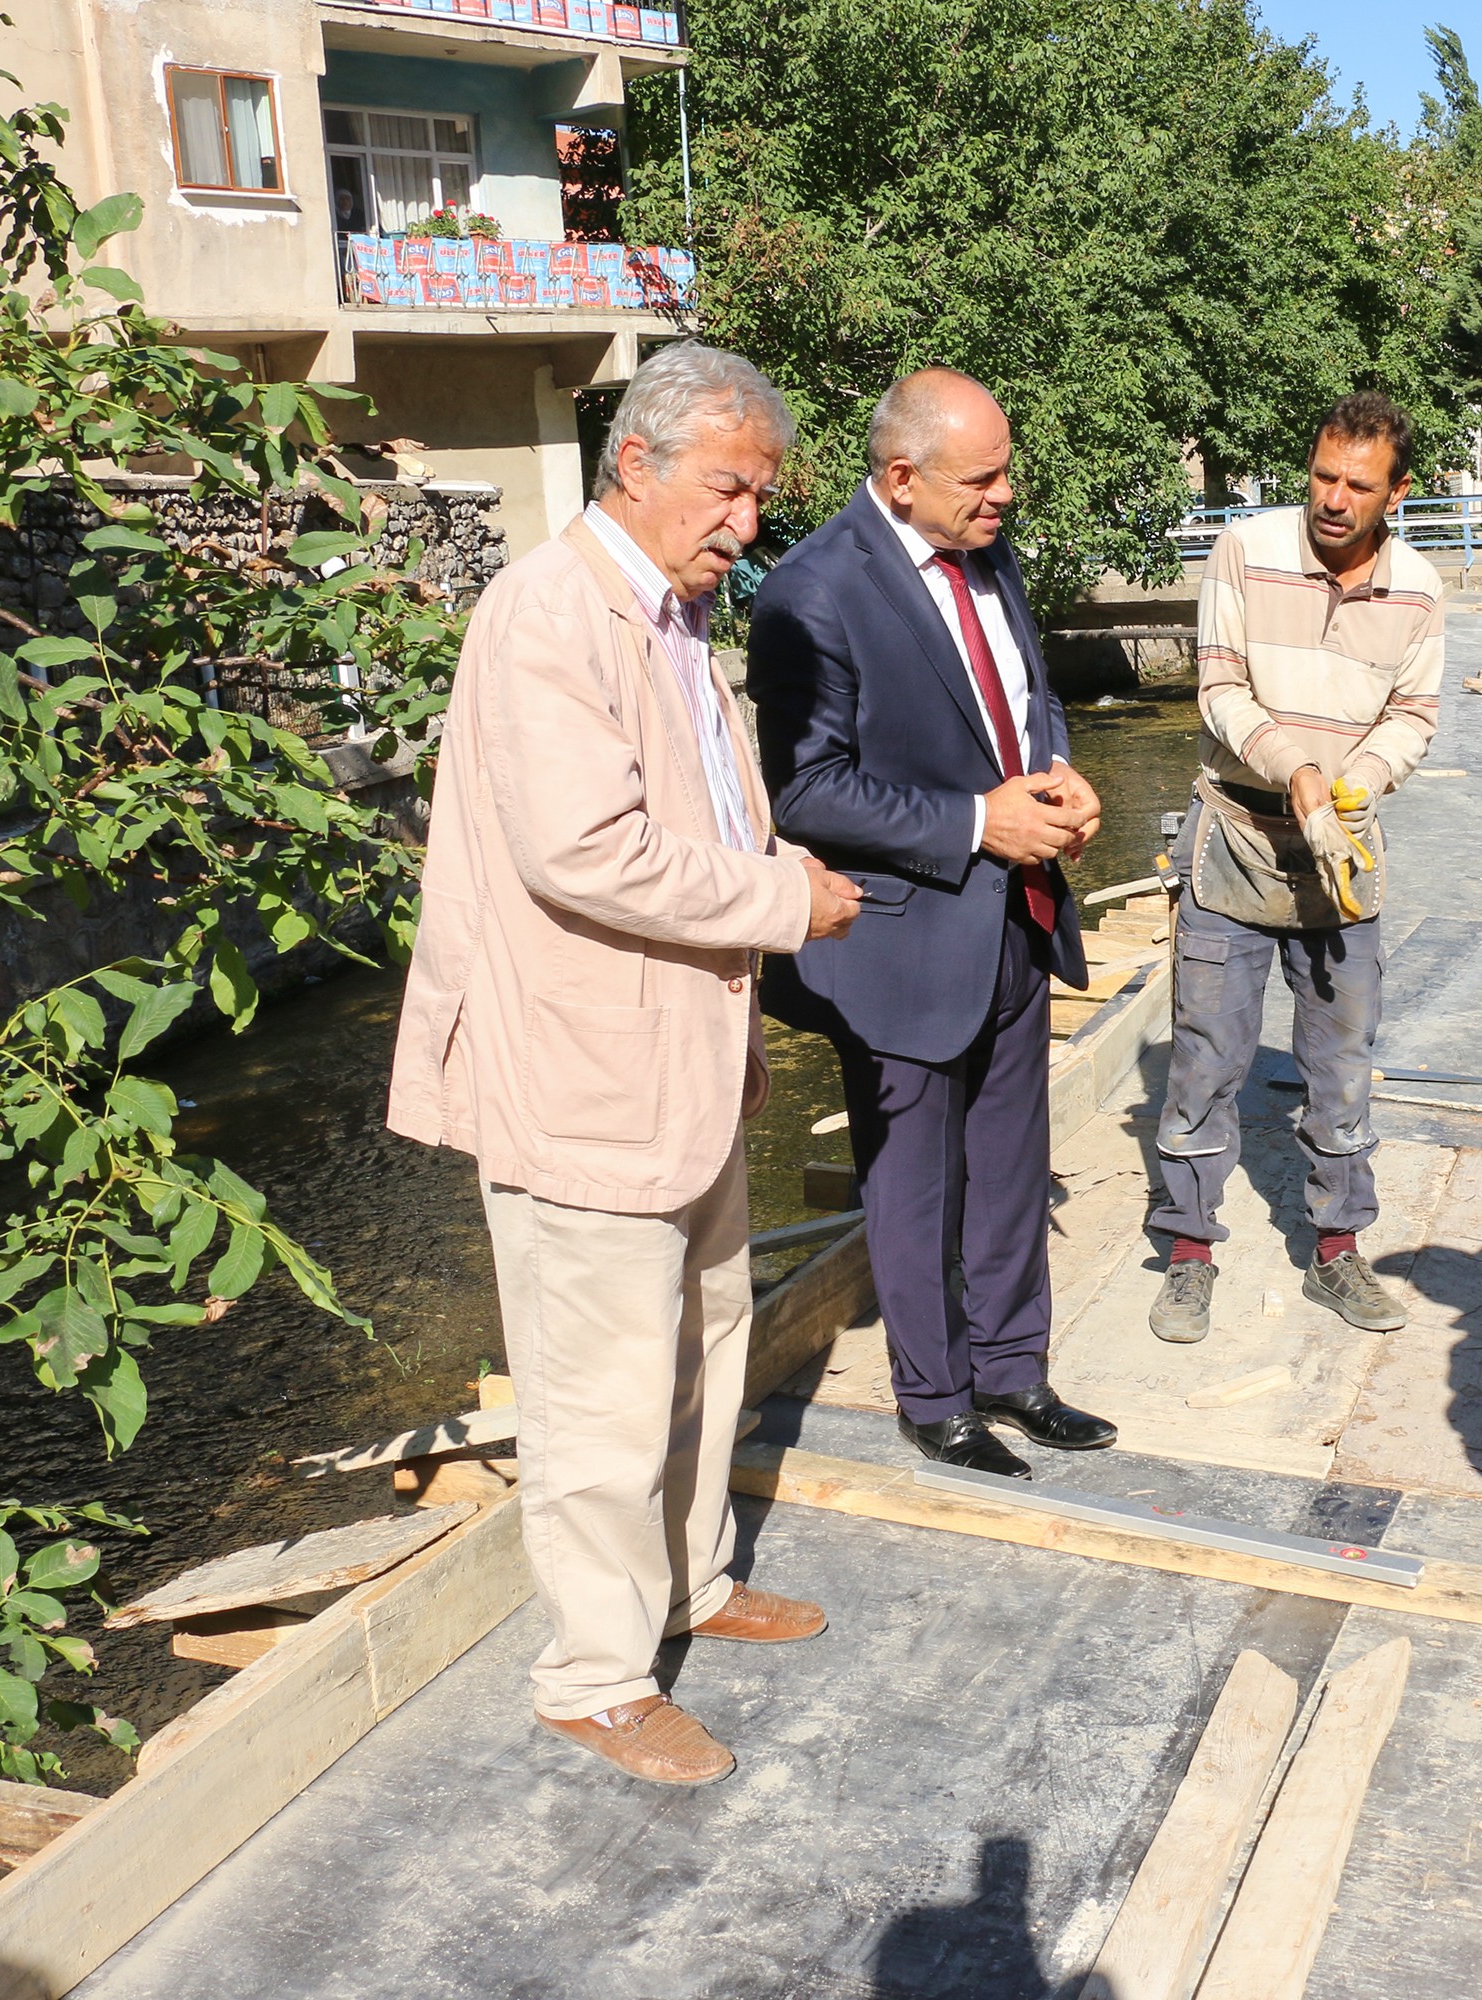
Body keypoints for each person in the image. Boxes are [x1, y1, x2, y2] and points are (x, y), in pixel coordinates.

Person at [386, 343, 862, 1787]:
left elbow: (701, 815)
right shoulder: (548, 617)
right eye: (727, 489)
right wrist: (784, 902)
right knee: (596, 1393)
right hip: (583, 1078)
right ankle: (593, 1678)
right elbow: (583, 852)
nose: (745, 524)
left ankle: (689, 1583)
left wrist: (770, 860)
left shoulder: (669, 622)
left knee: (706, 1340)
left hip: (684, 1068)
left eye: (760, 496)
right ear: (635, 463)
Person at [751, 368, 1117, 1477]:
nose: (1008, 494)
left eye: (1008, 470)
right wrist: (975, 821)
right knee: (913, 1177)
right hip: (904, 935)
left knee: (1011, 1159)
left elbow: (1026, 693)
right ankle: (936, 1396)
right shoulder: (811, 594)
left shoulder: (986, 551)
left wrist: (1058, 775)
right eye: (985, 476)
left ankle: (1015, 1370)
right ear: (902, 478)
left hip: (1015, 913)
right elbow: (805, 790)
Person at [1143, 392, 1445, 1344]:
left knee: (1342, 1064)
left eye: (1358, 485)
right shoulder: (1247, 552)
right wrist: (1295, 770)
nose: (1333, 498)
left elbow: (1414, 714)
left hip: (1342, 850)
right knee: (1205, 1057)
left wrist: (1355, 783)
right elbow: (1221, 683)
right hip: (1236, 830)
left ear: (1398, 491)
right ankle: (1188, 1253)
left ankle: (1337, 1251)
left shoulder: (1421, 589)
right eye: (1322, 475)